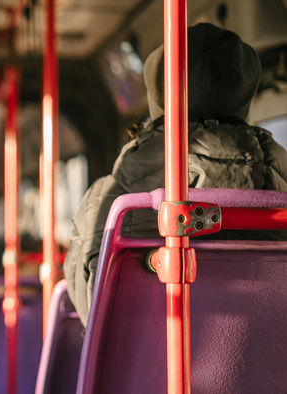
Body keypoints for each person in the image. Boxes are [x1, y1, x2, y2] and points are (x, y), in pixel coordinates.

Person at [64, 23, 287, 326]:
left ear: (158, 94)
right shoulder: (280, 185)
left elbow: (92, 310)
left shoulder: (111, 200)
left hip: (145, 372)